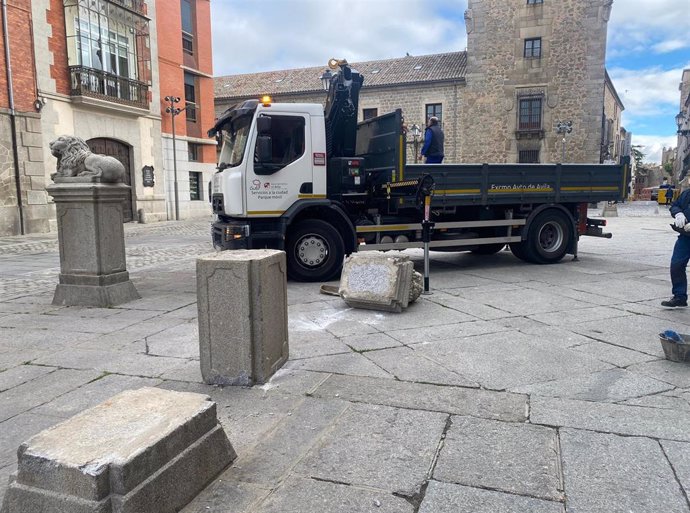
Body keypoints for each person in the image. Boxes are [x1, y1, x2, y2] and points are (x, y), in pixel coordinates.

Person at [662, 187, 690, 307]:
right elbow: (675, 205)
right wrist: (678, 213)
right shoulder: (687, 193)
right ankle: (679, 296)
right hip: (686, 236)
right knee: (676, 265)